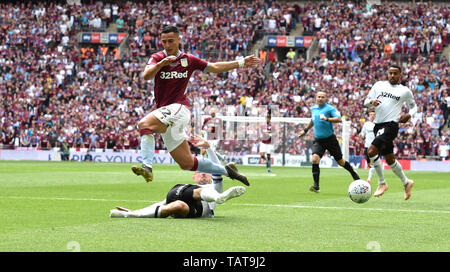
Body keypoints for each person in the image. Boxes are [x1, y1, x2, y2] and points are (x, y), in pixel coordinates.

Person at [131, 25, 259, 185]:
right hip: (167, 114)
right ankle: (227, 171)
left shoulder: (189, 60)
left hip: (179, 108)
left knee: (144, 124)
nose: (167, 45)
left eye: (171, 41)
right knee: (187, 163)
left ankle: (147, 166)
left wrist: (240, 63)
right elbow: (146, 76)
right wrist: (161, 64)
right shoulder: (157, 58)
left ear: (179, 40)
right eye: (164, 42)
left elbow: (214, 67)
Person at [110, 136, 245, 219]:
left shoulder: (215, 187)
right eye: (199, 172)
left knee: (179, 206)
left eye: (206, 172)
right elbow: (160, 204)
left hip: (196, 207)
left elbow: (216, 168)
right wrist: (134, 212)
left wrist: (207, 147)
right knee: (172, 201)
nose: (203, 174)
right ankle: (133, 215)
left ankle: (218, 198)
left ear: (211, 175)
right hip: (178, 191)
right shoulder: (192, 187)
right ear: (194, 178)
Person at [364, 64, 417, 200]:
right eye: (390, 73)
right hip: (378, 125)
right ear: (387, 74)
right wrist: (371, 102)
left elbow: (413, 106)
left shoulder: (404, 91)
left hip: (391, 126)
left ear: (400, 75)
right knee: (389, 158)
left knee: (371, 151)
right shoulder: (378, 85)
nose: (392, 75)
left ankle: (382, 183)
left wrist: (409, 115)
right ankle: (406, 182)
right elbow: (365, 102)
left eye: (395, 73)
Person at [299, 91, 360, 193]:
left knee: (340, 162)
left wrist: (327, 119)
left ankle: (354, 174)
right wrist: (305, 130)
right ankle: (316, 186)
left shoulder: (330, 109)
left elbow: (339, 119)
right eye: (319, 97)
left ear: (326, 98)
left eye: (323, 97)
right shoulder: (313, 109)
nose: (320, 98)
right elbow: (313, 120)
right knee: (314, 159)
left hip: (330, 140)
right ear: (316, 98)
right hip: (318, 140)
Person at [361, 109, 376, 183]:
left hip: (375, 146)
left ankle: (369, 179)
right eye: (371, 114)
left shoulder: (378, 124)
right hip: (367, 146)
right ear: (369, 115)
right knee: (369, 164)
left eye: (374, 114)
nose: (372, 116)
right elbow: (362, 133)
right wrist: (360, 135)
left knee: (372, 164)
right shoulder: (366, 124)